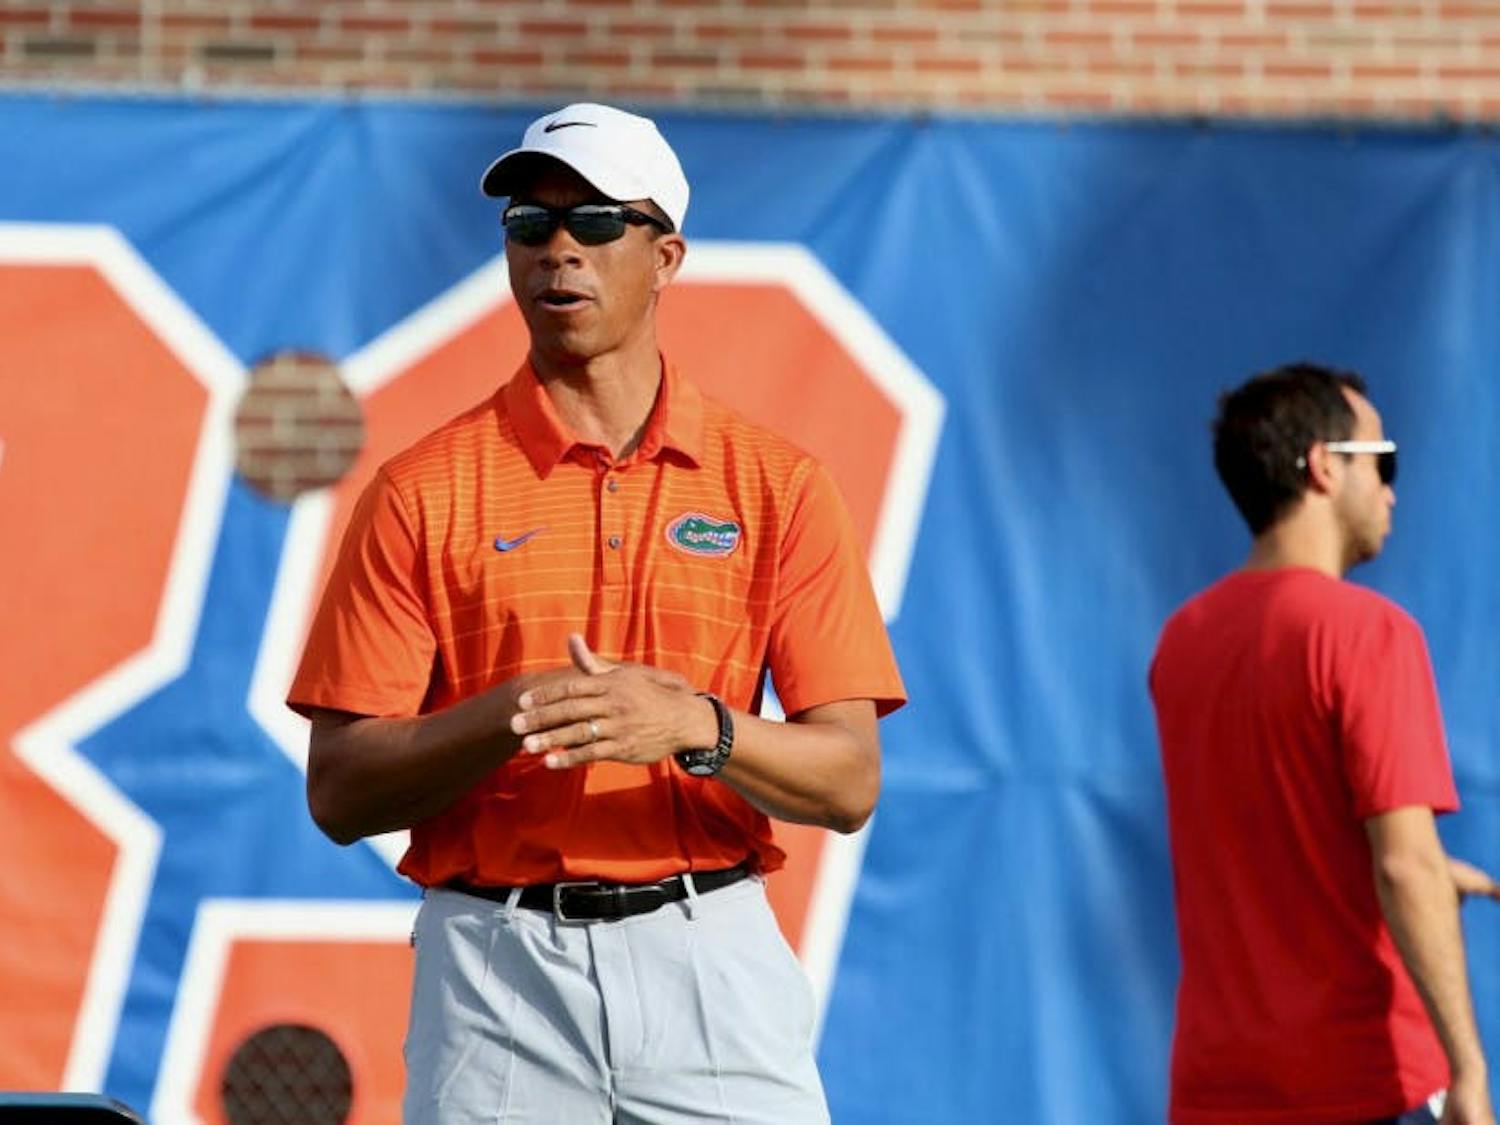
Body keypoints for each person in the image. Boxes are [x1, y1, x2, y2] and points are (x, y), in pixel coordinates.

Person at [286, 102, 905, 1124]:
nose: (559, 250)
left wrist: (693, 728)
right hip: (494, 971)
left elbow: (848, 780)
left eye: (597, 222)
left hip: (711, 954)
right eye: (530, 225)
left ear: (666, 255)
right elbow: (341, 792)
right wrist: (516, 708)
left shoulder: (777, 486)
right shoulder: (420, 490)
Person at [1149, 362, 1498, 1125]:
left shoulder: (1182, 643)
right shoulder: (1369, 633)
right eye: (1384, 461)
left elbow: (1274, 830)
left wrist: (1433, 868)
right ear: (1322, 466)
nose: (1391, 489)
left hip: (1217, 1090)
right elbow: (1401, 863)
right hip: (1362, 1083)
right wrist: (1469, 1072)